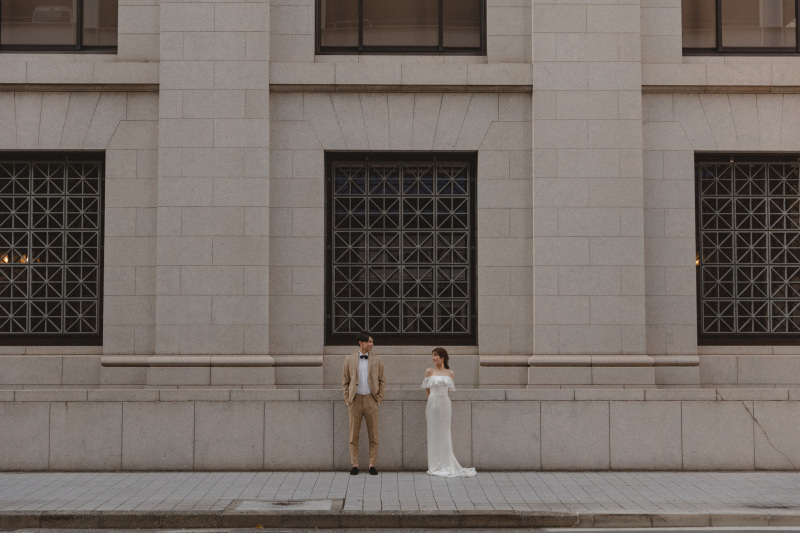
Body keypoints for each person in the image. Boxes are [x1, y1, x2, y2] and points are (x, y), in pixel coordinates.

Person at [421, 347, 476, 477]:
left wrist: (442, 401)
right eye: (432, 355)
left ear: (442, 357)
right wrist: (431, 402)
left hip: (445, 405)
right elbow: (427, 390)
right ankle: (434, 465)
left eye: (435, 355)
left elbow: (447, 391)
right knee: (433, 433)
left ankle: (446, 463)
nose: (433, 358)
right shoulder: (429, 371)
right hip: (432, 405)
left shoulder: (450, 373)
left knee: (445, 433)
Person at [342, 331, 386, 475]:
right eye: (369, 341)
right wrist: (347, 398)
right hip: (354, 400)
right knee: (353, 435)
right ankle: (355, 464)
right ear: (361, 342)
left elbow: (382, 380)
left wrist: (379, 398)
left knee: (373, 435)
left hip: (371, 400)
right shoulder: (349, 359)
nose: (372, 344)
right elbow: (345, 381)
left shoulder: (377, 359)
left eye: (372, 342)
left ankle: (372, 464)